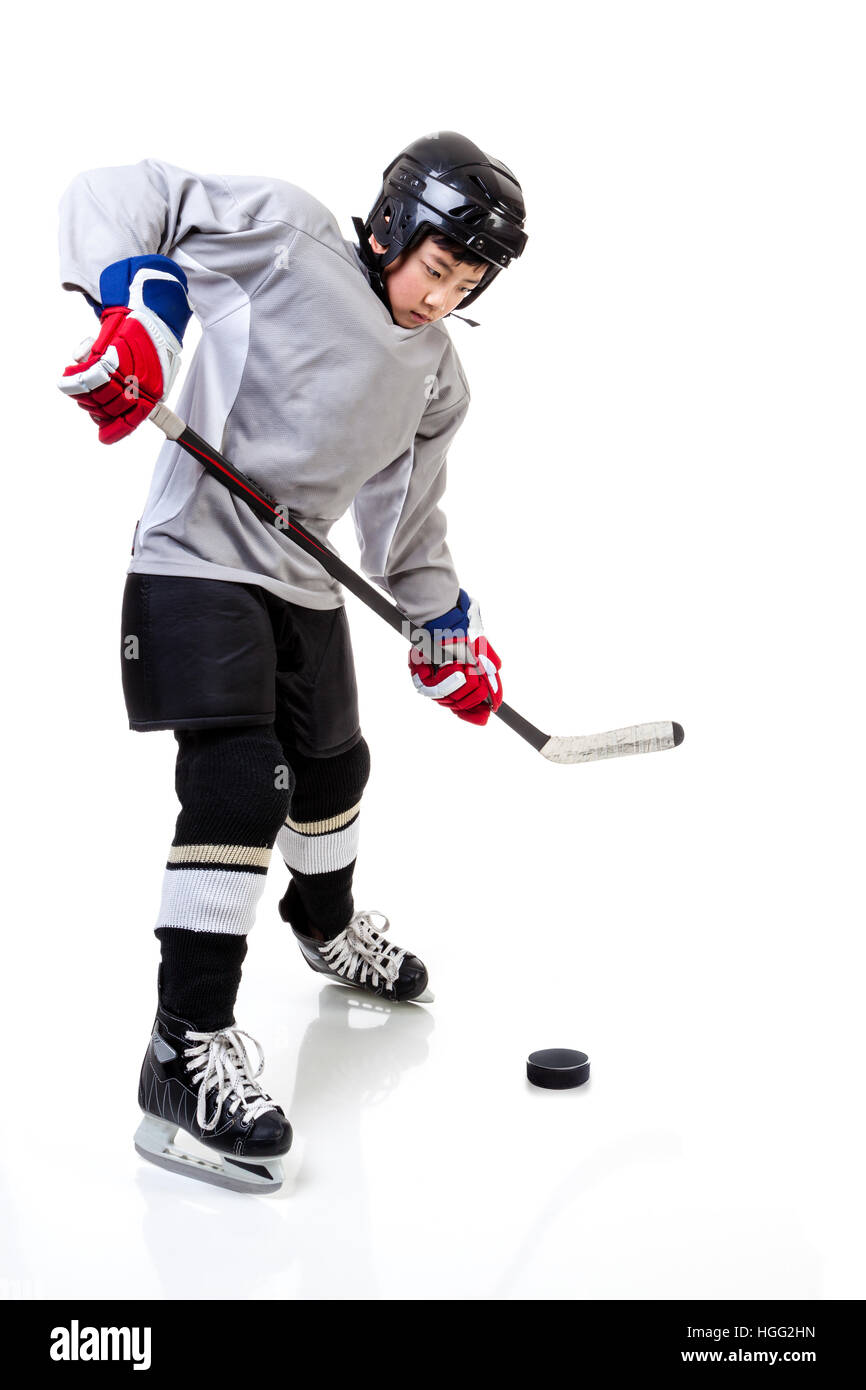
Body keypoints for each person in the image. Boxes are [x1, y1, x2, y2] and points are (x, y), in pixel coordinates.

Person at [57, 131, 528, 1193]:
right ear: (392, 230)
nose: (438, 299)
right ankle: (185, 1047)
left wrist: (445, 630)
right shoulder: (285, 233)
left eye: (464, 285)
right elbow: (118, 193)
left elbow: (403, 536)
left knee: (332, 772)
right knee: (238, 781)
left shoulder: (437, 383)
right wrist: (136, 313)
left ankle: (324, 929)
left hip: (302, 580)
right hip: (197, 559)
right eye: (434, 268)